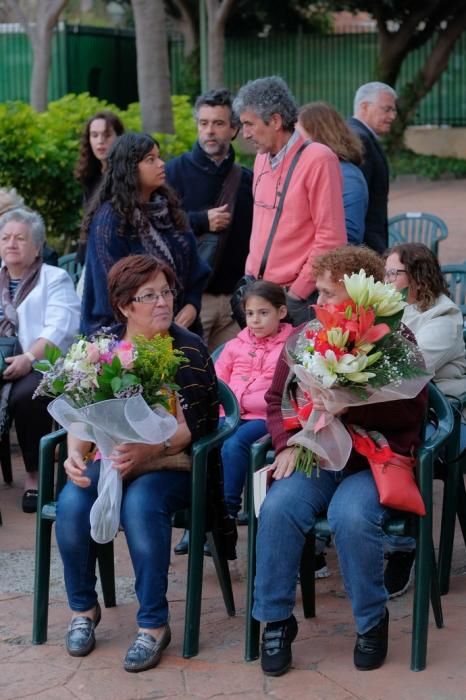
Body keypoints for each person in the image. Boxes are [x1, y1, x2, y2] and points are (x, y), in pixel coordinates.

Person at [253, 245, 427, 677]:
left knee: (350, 516)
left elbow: (412, 411)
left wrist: (353, 406)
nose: (320, 303)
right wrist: (287, 442)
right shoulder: (308, 334)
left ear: (357, 295)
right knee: (278, 507)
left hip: (373, 458)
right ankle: (275, 620)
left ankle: (371, 621)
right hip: (317, 452)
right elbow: (277, 400)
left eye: (329, 294)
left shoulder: (395, 338)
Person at [55, 254, 229, 673]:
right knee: (72, 504)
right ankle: (83, 610)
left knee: (140, 507)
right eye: (148, 295)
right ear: (124, 306)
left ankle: (153, 624)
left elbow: (200, 425)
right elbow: (82, 410)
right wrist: (76, 451)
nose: (163, 302)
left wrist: (150, 452)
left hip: (173, 463)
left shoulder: (187, 348)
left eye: (166, 292)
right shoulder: (103, 346)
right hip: (113, 460)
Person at [383, 242, 466, 598]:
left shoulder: (443, 318)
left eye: (392, 273)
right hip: (397, 403)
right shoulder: (391, 308)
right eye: (383, 273)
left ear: (415, 276)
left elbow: (407, 369)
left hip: (440, 417)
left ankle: (403, 545)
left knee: (399, 438)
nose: (385, 280)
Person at [232, 76, 346, 327]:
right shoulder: (262, 157)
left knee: (294, 367)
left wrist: (297, 292)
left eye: (249, 124)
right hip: (259, 296)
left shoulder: (318, 159)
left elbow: (332, 237)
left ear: (275, 120)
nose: (246, 133)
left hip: (294, 299)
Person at [80, 132, 210, 337]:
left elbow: (196, 269)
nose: (161, 164)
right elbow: (110, 293)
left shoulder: (169, 211)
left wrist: (192, 305)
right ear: (129, 168)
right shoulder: (110, 221)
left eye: (159, 157)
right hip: (128, 338)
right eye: (151, 159)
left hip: (181, 331)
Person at [0, 208, 80, 512]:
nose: (11, 244)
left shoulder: (54, 278)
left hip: (41, 364)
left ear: (37, 248)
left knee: (26, 395)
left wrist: (28, 357)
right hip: (2, 360)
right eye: (5, 238)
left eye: (20, 238)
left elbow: (60, 327)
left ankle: (33, 475)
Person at [165, 88, 253, 352]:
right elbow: (156, 226)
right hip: (192, 301)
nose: (210, 131)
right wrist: (200, 220)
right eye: (204, 123)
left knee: (232, 382)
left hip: (236, 303)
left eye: (218, 123)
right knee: (190, 381)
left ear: (234, 129)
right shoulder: (173, 172)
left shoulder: (247, 179)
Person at [298, 102, 368, 245]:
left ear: (320, 135)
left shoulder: (348, 176)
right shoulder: (311, 168)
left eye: (300, 137)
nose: (295, 143)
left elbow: (350, 235)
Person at [347, 82, 397, 254]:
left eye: (394, 110)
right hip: (366, 244)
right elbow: (358, 200)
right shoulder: (360, 138)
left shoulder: (356, 133)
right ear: (364, 107)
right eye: (387, 109)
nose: (392, 116)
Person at [74, 111, 125, 208]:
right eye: (94, 135)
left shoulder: (126, 175)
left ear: (119, 138)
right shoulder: (90, 175)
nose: (100, 141)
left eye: (107, 135)